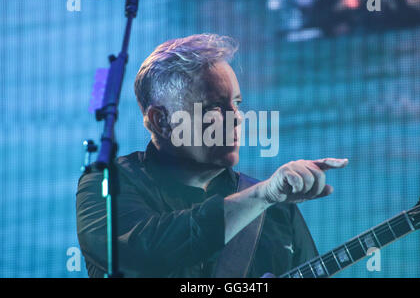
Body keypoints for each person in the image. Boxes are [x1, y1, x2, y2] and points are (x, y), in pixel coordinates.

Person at [76, 33, 348, 278]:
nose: (237, 118)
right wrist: (262, 196)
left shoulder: (278, 210)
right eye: (214, 107)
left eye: (237, 104)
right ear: (161, 120)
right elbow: (143, 251)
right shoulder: (108, 184)